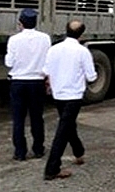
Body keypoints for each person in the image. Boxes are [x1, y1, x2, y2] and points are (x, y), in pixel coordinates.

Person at [43, 20, 97, 181]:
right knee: (63, 130)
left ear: (65, 30)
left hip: (58, 94)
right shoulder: (82, 51)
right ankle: (51, 169)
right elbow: (91, 76)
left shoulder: (53, 49)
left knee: (68, 125)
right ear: (82, 35)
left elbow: (45, 71)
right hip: (74, 95)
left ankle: (78, 152)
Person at [5, 8, 51, 161]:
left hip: (18, 82)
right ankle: (38, 149)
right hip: (37, 82)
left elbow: (9, 63)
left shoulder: (14, 40)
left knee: (18, 119)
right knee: (37, 117)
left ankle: (20, 152)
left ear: (20, 23)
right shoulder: (45, 38)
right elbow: (47, 60)